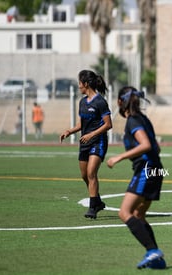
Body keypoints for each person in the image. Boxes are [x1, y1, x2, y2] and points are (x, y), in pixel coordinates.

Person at [107, 86, 166, 269]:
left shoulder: (133, 121)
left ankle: (153, 251)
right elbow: (157, 147)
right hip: (157, 170)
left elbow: (146, 144)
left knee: (124, 213)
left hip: (146, 171)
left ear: (119, 102)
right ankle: (156, 258)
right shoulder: (144, 119)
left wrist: (119, 157)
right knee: (139, 215)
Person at [60, 70, 112, 219]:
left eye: (80, 83)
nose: (78, 86)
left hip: (98, 141)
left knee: (91, 173)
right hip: (85, 143)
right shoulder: (82, 102)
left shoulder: (100, 102)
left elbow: (108, 124)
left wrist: (91, 134)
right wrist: (70, 131)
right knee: (84, 175)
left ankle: (92, 209)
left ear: (86, 84)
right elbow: (81, 124)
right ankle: (98, 201)